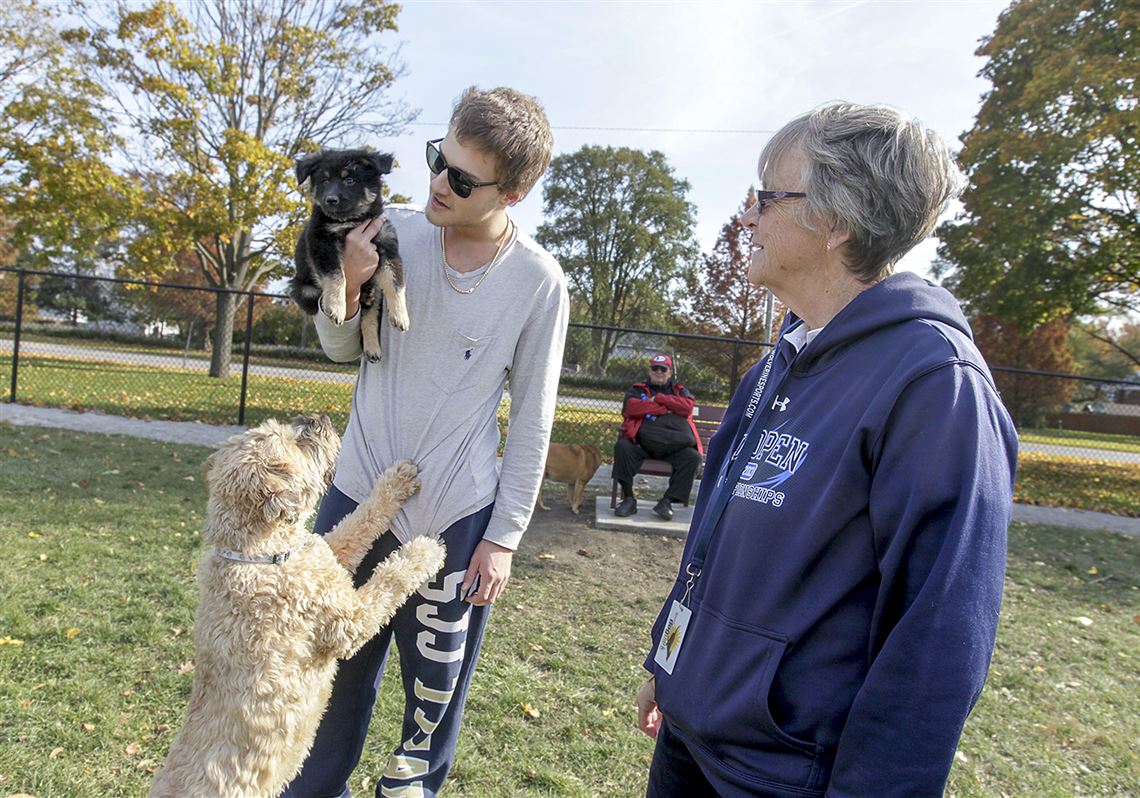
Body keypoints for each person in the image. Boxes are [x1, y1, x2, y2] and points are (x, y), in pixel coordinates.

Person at [636, 102, 1018, 798]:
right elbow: (713, 543)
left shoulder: (935, 385)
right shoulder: (776, 363)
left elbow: (938, 641)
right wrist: (669, 664)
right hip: (691, 736)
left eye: (766, 195)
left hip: (787, 774)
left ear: (835, 219)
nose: (747, 215)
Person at [282, 87, 568, 798]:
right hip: (354, 500)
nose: (439, 183)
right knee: (325, 682)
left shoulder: (538, 282)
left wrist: (502, 537)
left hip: (455, 519)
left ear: (518, 190)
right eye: (439, 160)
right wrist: (344, 287)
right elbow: (341, 350)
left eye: (463, 179)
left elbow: (533, 416)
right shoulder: (389, 232)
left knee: (429, 709)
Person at [612, 354, 703, 520]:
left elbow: (687, 407)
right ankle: (629, 499)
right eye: (655, 368)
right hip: (641, 445)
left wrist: (660, 398)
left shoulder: (679, 390)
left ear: (670, 372)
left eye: (663, 369)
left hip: (674, 448)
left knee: (693, 458)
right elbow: (630, 408)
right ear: (649, 370)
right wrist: (664, 409)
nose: (659, 372)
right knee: (622, 447)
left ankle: (667, 502)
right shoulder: (638, 389)